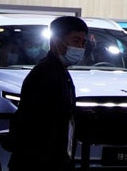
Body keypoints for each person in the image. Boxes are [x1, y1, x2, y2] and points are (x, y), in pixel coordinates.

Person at [7, 15, 88, 171]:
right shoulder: (44, 74)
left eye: (83, 43)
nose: (80, 48)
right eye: (76, 41)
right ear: (56, 41)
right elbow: (33, 122)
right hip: (38, 161)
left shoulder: (60, 72)